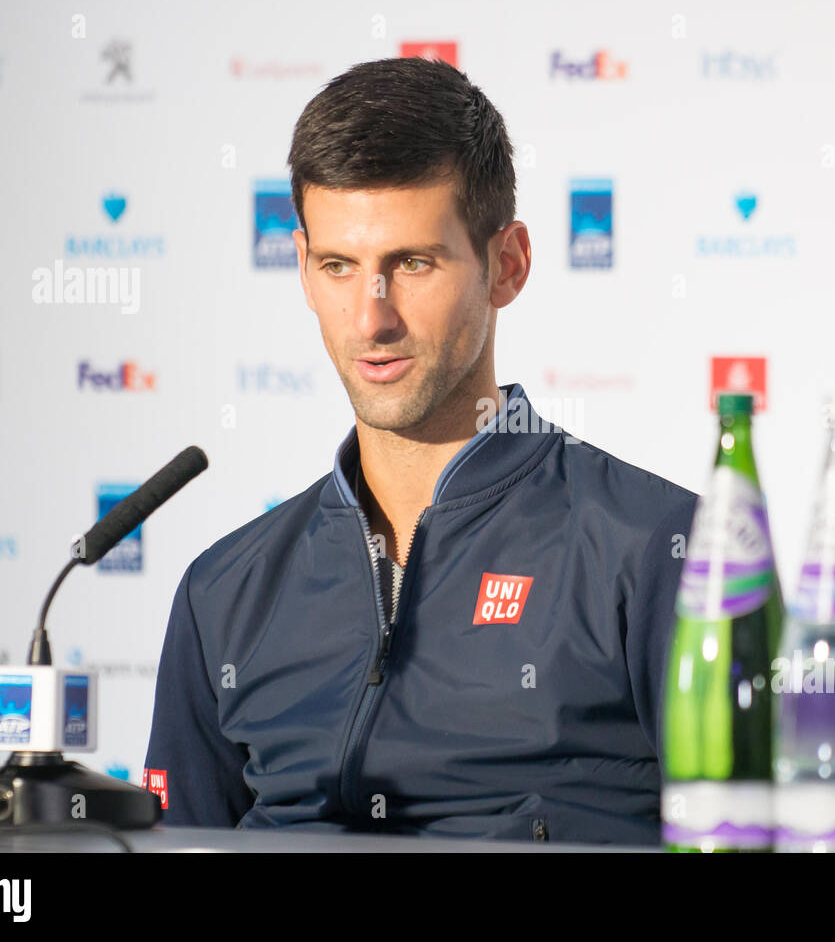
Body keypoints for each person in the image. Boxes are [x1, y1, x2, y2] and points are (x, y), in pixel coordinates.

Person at [143, 55, 695, 845]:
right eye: (339, 266)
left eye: (412, 264)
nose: (371, 319)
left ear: (506, 266)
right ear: (302, 268)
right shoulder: (223, 593)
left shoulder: (661, 551)